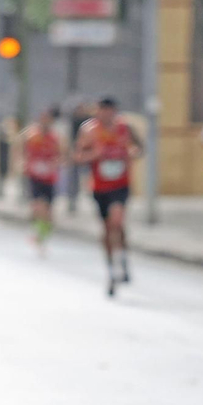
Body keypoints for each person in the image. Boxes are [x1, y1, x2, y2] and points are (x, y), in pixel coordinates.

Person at [73, 96, 140, 296]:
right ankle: (111, 266)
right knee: (107, 228)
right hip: (99, 185)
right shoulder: (89, 130)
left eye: (111, 110)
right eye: (103, 110)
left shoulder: (125, 128)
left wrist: (133, 152)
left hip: (120, 184)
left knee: (117, 222)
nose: (107, 114)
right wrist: (93, 155)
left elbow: (139, 147)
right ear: (97, 111)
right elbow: (78, 156)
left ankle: (122, 259)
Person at [22, 107, 65, 253]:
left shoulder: (55, 138)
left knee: (48, 214)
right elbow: (21, 150)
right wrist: (24, 164)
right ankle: (38, 235)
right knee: (38, 207)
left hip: (50, 178)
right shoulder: (31, 135)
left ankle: (42, 236)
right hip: (35, 177)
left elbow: (62, 154)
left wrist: (56, 163)